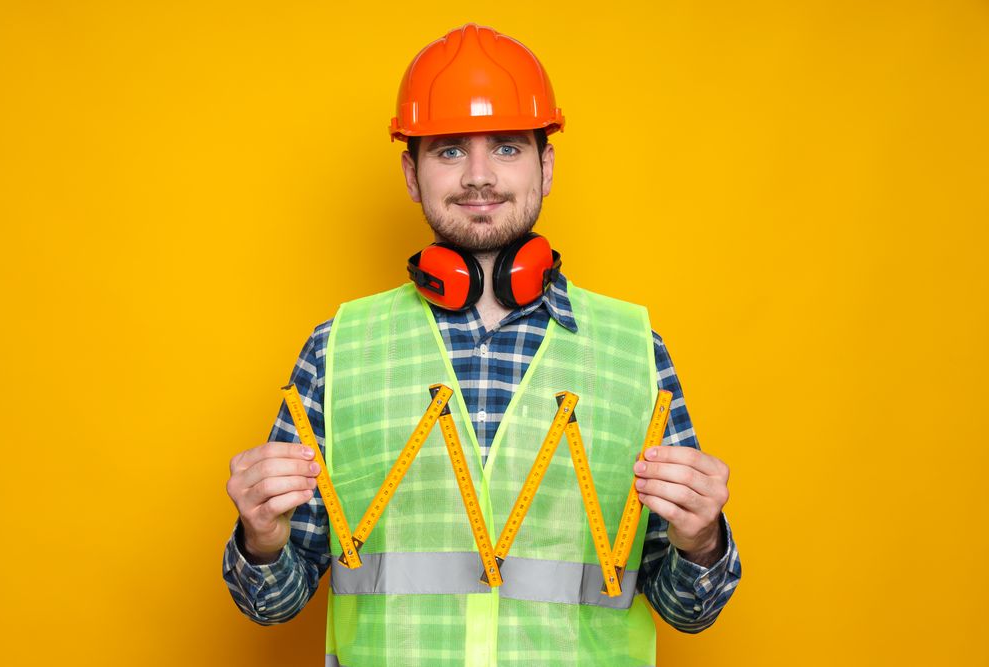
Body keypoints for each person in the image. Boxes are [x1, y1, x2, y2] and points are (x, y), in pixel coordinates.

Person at [223, 23, 741, 666]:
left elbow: (690, 609)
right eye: (447, 151)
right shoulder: (339, 350)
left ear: (545, 167)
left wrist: (702, 541)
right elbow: (272, 604)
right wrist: (261, 540)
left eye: (505, 147)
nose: (477, 176)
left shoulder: (634, 353)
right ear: (411, 173)